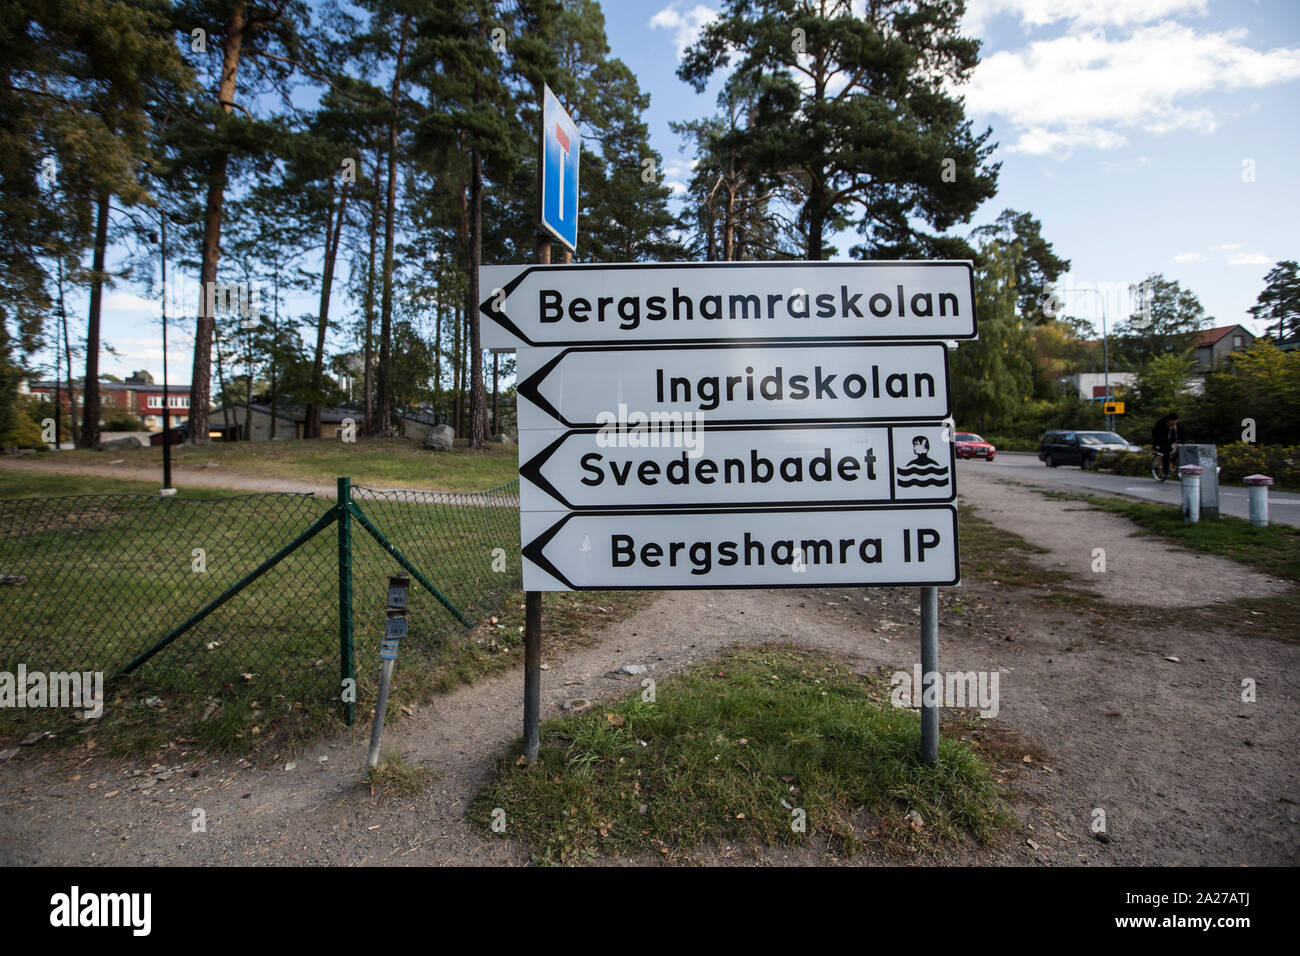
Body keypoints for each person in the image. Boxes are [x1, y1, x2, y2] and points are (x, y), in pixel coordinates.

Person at [1151, 412, 1186, 478]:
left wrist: (1182, 442)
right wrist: (1169, 442)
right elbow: (1159, 436)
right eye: (1173, 420)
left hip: (1174, 443)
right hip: (1162, 443)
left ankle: (1176, 464)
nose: (1175, 422)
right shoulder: (1161, 425)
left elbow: (1182, 435)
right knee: (1166, 454)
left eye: (1176, 420)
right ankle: (1166, 472)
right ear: (1169, 420)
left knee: (1181, 452)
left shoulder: (1178, 426)